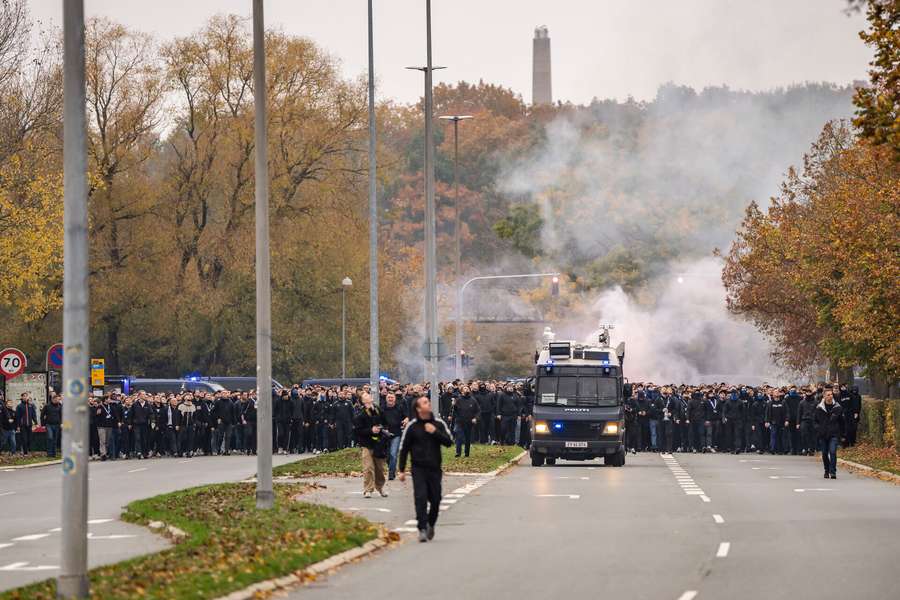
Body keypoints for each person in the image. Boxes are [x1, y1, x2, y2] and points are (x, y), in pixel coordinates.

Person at [398, 395, 453, 543]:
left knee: (435, 499)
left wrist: (434, 432)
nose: (428, 404)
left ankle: (430, 524)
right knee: (420, 497)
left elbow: (449, 442)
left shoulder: (438, 423)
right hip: (418, 468)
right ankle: (422, 528)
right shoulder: (412, 426)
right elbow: (404, 448)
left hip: (434, 468)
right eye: (424, 402)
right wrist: (401, 470)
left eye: (428, 402)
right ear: (418, 408)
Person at [353, 392, 388, 498]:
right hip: (366, 444)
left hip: (379, 443)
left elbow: (385, 422)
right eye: (365, 396)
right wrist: (371, 430)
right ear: (363, 401)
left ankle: (380, 487)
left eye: (369, 395)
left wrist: (382, 428)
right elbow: (358, 430)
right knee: (368, 467)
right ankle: (368, 489)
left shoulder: (377, 409)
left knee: (380, 468)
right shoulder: (360, 413)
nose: (369, 396)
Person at [815, 390, 844, 479]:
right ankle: (826, 470)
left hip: (833, 434)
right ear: (824, 396)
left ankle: (833, 471)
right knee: (824, 453)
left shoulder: (838, 407)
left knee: (832, 452)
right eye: (828, 395)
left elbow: (842, 422)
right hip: (823, 434)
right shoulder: (819, 408)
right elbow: (815, 421)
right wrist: (818, 429)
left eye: (831, 394)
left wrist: (842, 434)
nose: (830, 396)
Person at [383, 393, 407, 480]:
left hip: (396, 434)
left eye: (392, 397)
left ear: (395, 399)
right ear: (386, 399)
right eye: (388, 397)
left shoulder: (399, 407)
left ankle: (391, 473)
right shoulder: (382, 408)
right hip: (384, 435)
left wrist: (406, 419)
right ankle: (392, 467)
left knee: (393, 454)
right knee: (387, 456)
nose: (390, 399)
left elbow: (406, 417)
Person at [41, 393, 63, 458]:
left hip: (57, 425)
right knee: (50, 438)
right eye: (56, 399)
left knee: (55, 439)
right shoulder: (47, 406)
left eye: (58, 399)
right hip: (49, 424)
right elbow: (42, 415)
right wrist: (43, 424)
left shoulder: (60, 406)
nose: (57, 400)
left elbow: (61, 415)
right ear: (53, 399)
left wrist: (61, 423)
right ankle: (49, 453)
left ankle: (54, 453)